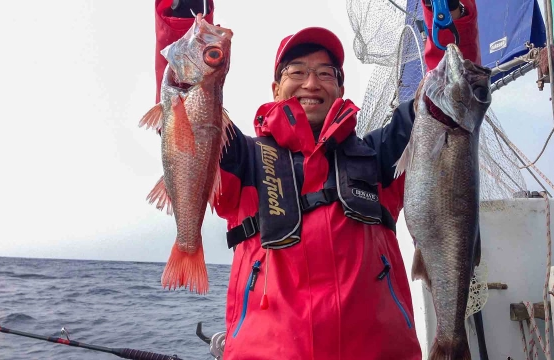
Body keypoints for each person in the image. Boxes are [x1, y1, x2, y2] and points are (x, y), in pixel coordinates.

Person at [153, 0, 481, 359]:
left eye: (326, 73)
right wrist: (181, 14)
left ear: (340, 89)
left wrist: (455, 15)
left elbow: (452, 93)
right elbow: (186, 114)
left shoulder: (380, 154)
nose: (311, 82)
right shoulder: (241, 157)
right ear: (276, 87)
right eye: (297, 71)